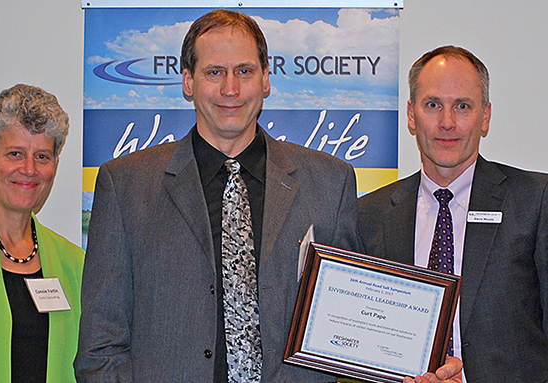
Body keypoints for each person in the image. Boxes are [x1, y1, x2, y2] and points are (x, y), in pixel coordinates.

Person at [74, 10, 461, 383]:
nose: (231, 88)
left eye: (244, 71)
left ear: (266, 80)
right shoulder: (125, 185)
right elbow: (101, 346)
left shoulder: (329, 182)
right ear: (188, 81)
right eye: (214, 73)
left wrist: (416, 363)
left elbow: (355, 320)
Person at [357, 45, 548, 382]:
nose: (447, 122)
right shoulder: (369, 212)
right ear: (411, 115)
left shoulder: (535, 200)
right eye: (433, 105)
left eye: (462, 106)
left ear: (485, 116)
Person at [0, 84, 84, 382]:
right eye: (15, 153)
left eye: (42, 157)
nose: (29, 169)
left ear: (55, 165)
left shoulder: (74, 263)